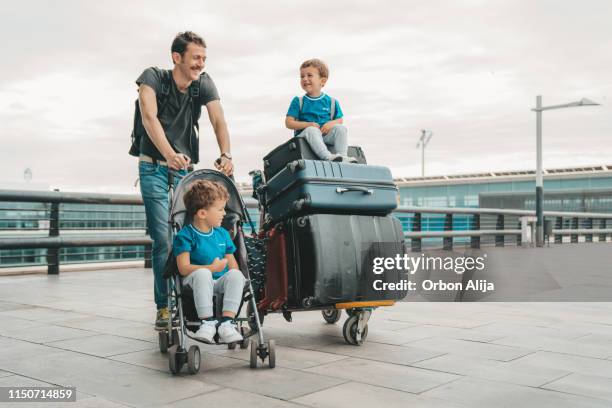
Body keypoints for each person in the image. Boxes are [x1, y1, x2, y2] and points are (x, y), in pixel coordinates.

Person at [136, 31, 234, 330]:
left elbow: (218, 119)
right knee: (163, 239)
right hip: (153, 167)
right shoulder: (152, 77)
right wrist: (169, 153)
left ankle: (193, 298)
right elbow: (148, 117)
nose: (200, 64)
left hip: (184, 171)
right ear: (177, 57)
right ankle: (164, 306)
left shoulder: (203, 83)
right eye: (195, 58)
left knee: (191, 234)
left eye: (204, 58)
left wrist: (226, 153)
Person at [173, 180, 245, 343]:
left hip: (218, 281)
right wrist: (211, 268)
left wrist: (237, 277)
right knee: (203, 273)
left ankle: (227, 323)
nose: (224, 214)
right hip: (194, 281)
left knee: (236, 275)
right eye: (220, 209)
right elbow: (183, 268)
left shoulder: (223, 234)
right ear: (202, 213)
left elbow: (232, 264)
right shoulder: (185, 236)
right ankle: (207, 323)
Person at [285, 58, 356, 162]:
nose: (305, 79)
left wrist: (330, 124)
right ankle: (327, 157)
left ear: (322, 81)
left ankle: (342, 157)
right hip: (305, 138)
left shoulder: (332, 102)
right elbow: (289, 123)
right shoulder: (298, 101)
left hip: (325, 136)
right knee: (312, 130)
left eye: (309, 75)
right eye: (302, 76)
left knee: (341, 129)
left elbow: (339, 120)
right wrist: (308, 125)